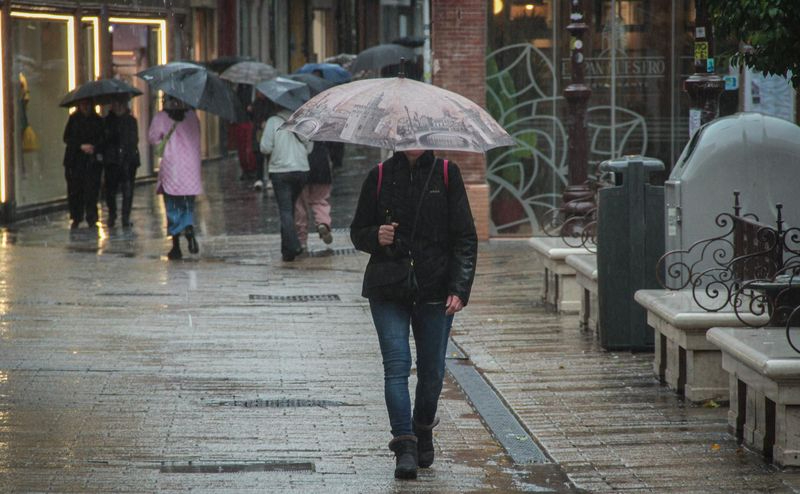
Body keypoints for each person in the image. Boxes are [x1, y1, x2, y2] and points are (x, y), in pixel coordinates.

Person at [350, 149, 478, 480]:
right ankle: (404, 445)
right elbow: (357, 232)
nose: (411, 141)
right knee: (396, 365)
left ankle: (423, 426)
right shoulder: (378, 176)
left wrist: (459, 289)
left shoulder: (447, 174)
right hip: (388, 288)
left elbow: (465, 238)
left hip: (435, 289)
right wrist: (375, 236)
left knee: (433, 371)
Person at [148, 96, 202, 260]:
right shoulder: (192, 116)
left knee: (172, 206)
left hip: (172, 167)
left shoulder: (161, 117)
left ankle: (176, 246)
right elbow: (197, 135)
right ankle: (189, 227)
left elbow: (152, 139)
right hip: (191, 167)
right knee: (187, 204)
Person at [260, 102, 311, 262]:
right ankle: (287, 251)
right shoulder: (301, 120)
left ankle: (294, 245)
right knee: (290, 209)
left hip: (280, 171)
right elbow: (309, 146)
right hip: (301, 169)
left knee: (285, 210)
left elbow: (265, 148)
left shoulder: (272, 121)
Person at [63, 98, 104, 229]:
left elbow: (103, 139)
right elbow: (67, 137)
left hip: (91, 161)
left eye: (88, 104)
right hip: (75, 161)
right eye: (83, 104)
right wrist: (80, 146)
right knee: (75, 190)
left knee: (92, 190)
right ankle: (76, 216)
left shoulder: (98, 120)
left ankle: (91, 216)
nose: (85, 107)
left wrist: (94, 147)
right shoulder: (74, 119)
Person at [102, 94, 140, 228]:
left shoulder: (131, 121)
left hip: (128, 160)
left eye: (120, 103)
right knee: (110, 190)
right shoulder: (107, 121)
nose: (118, 106)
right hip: (112, 160)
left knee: (128, 190)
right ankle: (112, 214)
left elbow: (134, 139)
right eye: (115, 103)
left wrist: (125, 148)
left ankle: (125, 217)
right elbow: (104, 140)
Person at [294, 141, 334, 249]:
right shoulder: (322, 127)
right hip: (322, 165)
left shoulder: (297, 127)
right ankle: (323, 223)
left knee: (300, 204)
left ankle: (302, 238)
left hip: (300, 166)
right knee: (321, 200)